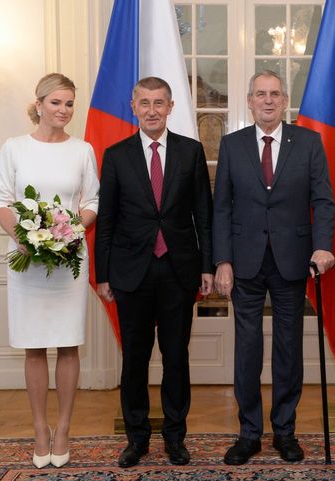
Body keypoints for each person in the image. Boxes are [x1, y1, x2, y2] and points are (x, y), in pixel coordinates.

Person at [213, 70, 335, 465]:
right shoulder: (232, 145)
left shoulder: (309, 143)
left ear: (285, 101)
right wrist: (223, 260)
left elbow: (323, 201)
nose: (268, 101)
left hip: (293, 261)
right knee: (247, 350)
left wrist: (322, 248)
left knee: (288, 350)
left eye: (275, 94)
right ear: (249, 100)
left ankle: (285, 431)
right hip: (244, 263)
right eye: (260, 94)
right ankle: (249, 433)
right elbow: (222, 208)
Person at [95, 76, 214, 468]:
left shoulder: (191, 152)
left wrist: (207, 267)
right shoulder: (116, 155)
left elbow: (204, 216)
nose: (151, 110)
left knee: (176, 358)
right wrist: (104, 275)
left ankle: (176, 438)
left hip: (179, 272)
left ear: (170, 106)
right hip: (131, 274)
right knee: (134, 360)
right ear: (133, 107)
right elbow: (107, 219)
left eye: (159, 103)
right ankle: (137, 438)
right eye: (144, 103)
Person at [0, 73, 99, 469]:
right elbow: (1, 198)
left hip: (69, 258)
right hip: (27, 260)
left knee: (68, 344)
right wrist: (24, 235)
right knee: (34, 346)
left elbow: (92, 201)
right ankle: (40, 429)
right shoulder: (13, 148)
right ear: (38, 104)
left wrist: (72, 229)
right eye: (56, 102)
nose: (63, 110)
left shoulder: (82, 150)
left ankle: (65, 428)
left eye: (69, 104)